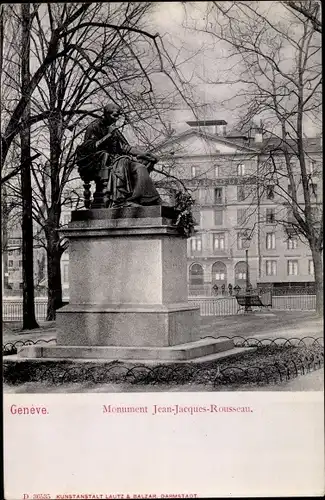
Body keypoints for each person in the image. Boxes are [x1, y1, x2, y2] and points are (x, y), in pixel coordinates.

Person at [76, 104, 162, 208]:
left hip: (116, 159)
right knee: (122, 163)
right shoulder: (95, 126)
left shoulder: (113, 129)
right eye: (115, 115)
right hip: (99, 161)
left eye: (118, 115)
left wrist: (143, 154)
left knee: (141, 167)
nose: (117, 118)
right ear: (106, 114)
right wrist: (108, 136)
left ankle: (148, 199)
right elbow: (89, 147)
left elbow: (125, 147)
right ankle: (120, 200)